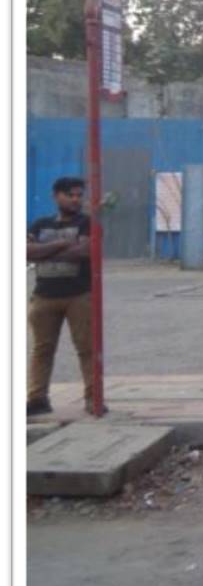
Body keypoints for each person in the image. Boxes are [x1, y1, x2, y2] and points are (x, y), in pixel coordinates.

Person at [27, 177, 96, 417]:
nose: (76, 199)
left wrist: (44, 251)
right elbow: (26, 252)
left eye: (79, 195)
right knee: (42, 349)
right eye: (70, 195)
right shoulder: (39, 224)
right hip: (44, 296)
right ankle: (37, 398)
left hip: (79, 295)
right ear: (56, 196)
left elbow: (84, 251)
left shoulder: (87, 223)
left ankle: (92, 398)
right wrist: (61, 244)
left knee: (87, 347)